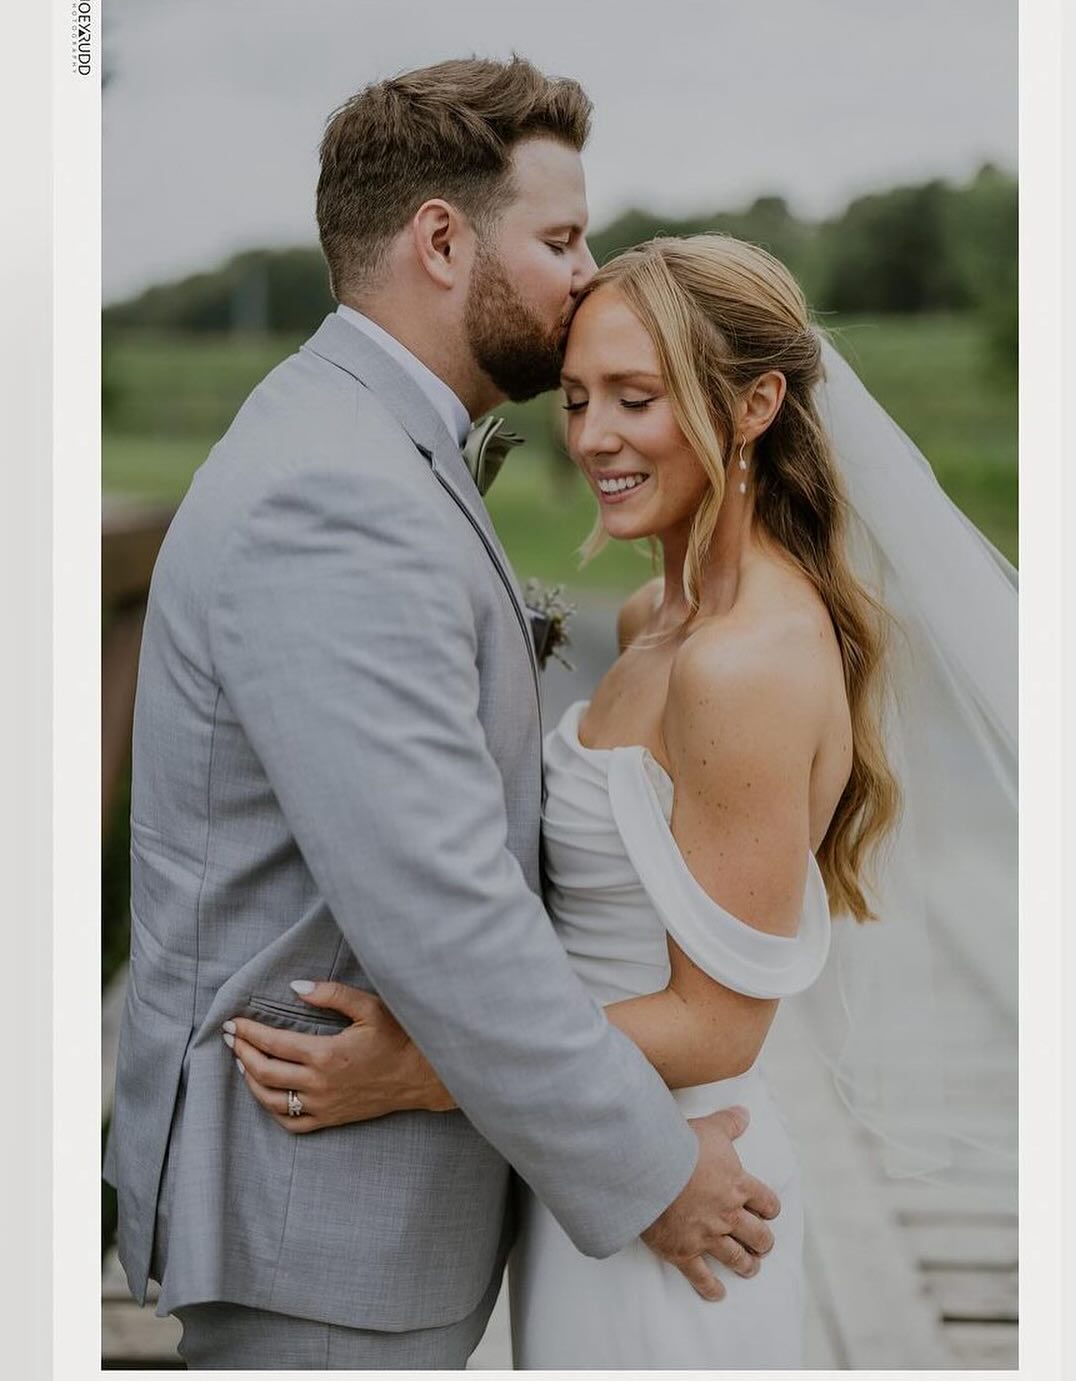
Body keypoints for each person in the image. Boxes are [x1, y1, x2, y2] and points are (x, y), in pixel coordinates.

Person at [227, 232, 1018, 1368]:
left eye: (636, 399)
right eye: (582, 396)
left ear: (754, 407)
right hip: (595, 1172)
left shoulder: (741, 664)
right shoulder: (661, 621)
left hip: (685, 1197)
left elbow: (717, 1021)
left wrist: (433, 1067)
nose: (594, 437)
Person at [103, 61, 786, 1372]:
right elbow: (441, 906)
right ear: (438, 239)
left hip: (359, 1189)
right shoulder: (336, 496)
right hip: (318, 1209)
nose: (587, 276)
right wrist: (654, 1173)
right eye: (560, 238)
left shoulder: (358, 437)